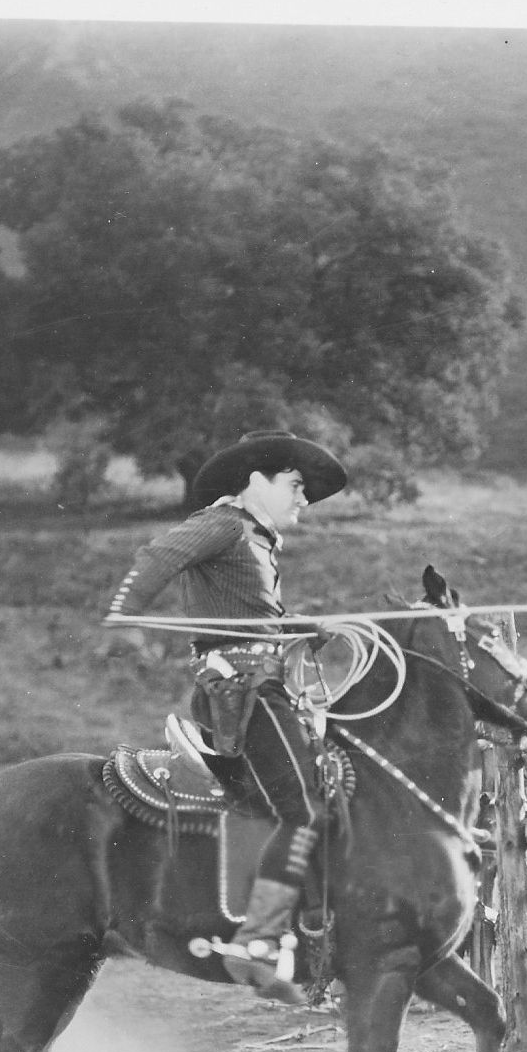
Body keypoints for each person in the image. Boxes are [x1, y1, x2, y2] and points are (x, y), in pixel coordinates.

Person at [106, 428, 349, 1000]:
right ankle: (260, 942)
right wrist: (125, 614)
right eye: (294, 485)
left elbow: (245, 618)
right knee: (306, 810)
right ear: (254, 480)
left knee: (309, 797)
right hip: (244, 693)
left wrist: (299, 629)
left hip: (256, 684)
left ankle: (303, 934)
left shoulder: (255, 541)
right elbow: (158, 555)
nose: (303, 500)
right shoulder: (224, 523)